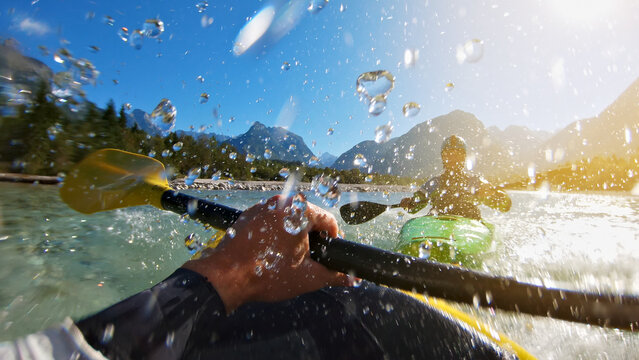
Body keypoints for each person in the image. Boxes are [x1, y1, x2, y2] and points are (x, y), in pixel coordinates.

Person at [0, 195, 517, 360]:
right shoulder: (436, 182)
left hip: (464, 222)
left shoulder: (465, 180)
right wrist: (232, 271)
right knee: (374, 310)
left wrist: (228, 273)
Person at [400, 135, 511, 220]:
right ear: (443, 157)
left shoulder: (477, 182)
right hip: (438, 225)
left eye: (458, 154)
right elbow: (412, 208)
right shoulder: (433, 184)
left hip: (469, 228)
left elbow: (505, 206)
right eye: (448, 154)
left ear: (464, 157)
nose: (453, 158)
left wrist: (493, 194)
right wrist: (409, 203)